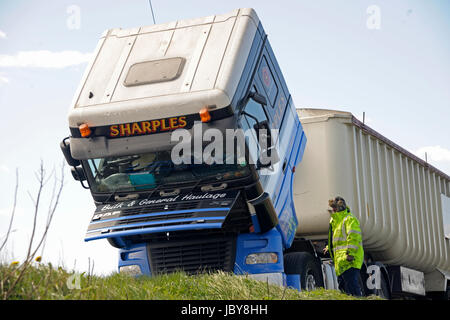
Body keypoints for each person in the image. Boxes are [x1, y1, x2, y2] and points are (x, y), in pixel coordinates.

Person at [323, 196, 364, 297]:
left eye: (334, 208)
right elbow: (338, 240)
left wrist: (351, 253)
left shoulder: (349, 219)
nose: (332, 210)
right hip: (341, 262)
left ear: (338, 208)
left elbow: (354, 237)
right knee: (345, 291)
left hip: (350, 261)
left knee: (353, 290)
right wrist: (329, 247)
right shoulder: (337, 221)